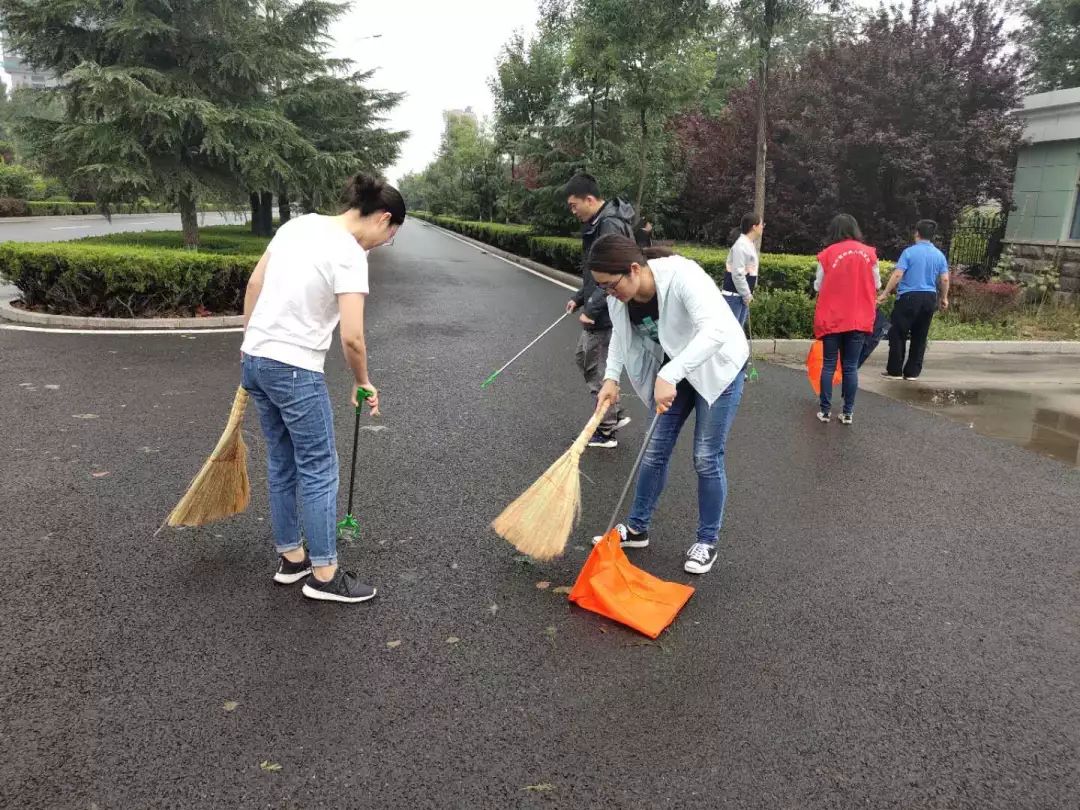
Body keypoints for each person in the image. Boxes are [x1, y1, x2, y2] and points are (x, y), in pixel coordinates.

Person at [240, 175, 403, 604]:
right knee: (318, 466)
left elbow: (254, 285)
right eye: (389, 236)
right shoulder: (349, 253)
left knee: (281, 460)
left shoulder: (298, 225)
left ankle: (292, 559)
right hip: (294, 369)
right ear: (383, 218)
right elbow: (353, 337)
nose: (382, 244)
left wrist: (252, 344)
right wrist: (362, 382)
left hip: (256, 358)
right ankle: (325, 575)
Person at [591, 234, 749, 575]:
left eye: (610, 284)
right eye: (601, 287)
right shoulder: (620, 297)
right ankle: (636, 528)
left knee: (706, 457)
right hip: (675, 373)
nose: (608, 293)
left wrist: (672, 373)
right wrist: (611, 377)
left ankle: (706, 542)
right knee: (653, 450)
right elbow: (620, 334)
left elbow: (716, 331)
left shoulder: (682, 276)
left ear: (634, 269)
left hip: (717, 369)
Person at [564, 173, 635, 448]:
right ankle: (611, 416)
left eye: (574, 205)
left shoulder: (608, 225)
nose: (573, 211)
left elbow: (614, 274)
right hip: (601, 306)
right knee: (587, 358)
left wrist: (592, 308)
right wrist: (580, 297)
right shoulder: (602, 222)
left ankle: (605, 427)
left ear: (589, 199)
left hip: (606, 309)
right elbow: (597, 273)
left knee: (591, 362)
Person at [813, 214, 881, 425]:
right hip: (859, 318)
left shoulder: (827, 255)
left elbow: (818, 285)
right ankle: (848, 412)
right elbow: (877, 283)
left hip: (832, 317)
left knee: (829, 364)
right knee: (850, 366)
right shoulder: (870, 254)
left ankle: (825, 411)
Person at [878, 219, 950, 381]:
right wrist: (944, 298)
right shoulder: (939, 255)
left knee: (898, 332)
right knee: (920, 335)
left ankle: (895, 371)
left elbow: (898, 274)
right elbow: (944, 279)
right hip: (929, 298)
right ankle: (912, 372)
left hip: (909, 297)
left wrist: (885, 293)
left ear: (917, 233)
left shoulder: (909, 252)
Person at [723, 213, 763, 327]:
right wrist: (746, 294)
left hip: (740, 295)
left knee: (737, 334)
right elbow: (737, 274)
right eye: (761, 224)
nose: (762, 227)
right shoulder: (741, 246)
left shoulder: (748, 244)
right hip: (734, 296)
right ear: (754, 227)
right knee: (732, 334)